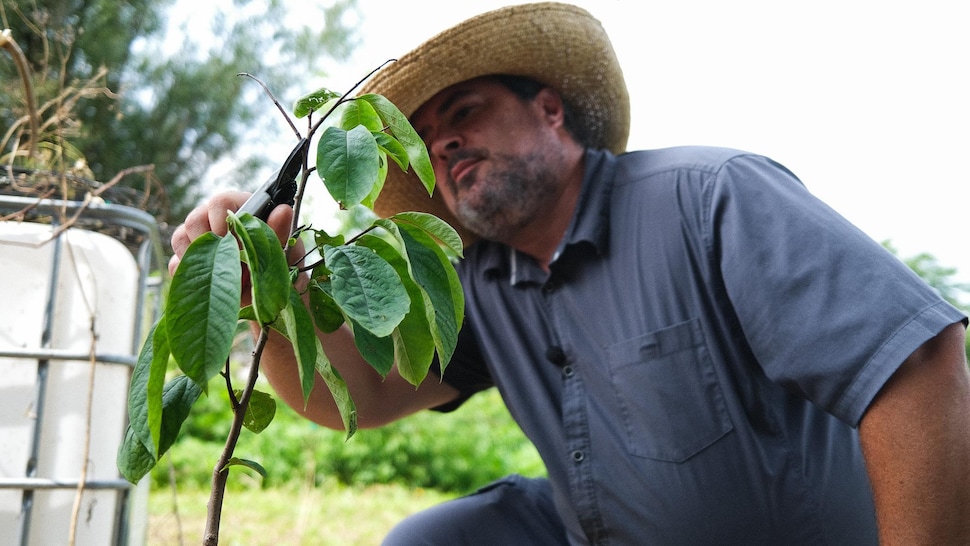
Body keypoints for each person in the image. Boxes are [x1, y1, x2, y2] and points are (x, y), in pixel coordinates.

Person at [170, 3, 970, 544]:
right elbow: (361, 398)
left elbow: (919, 363)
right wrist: (272, 296)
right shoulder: (479, 283)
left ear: (551, 110)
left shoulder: (709, 197)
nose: (443, 143)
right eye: (426, 135)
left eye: (467, 111)